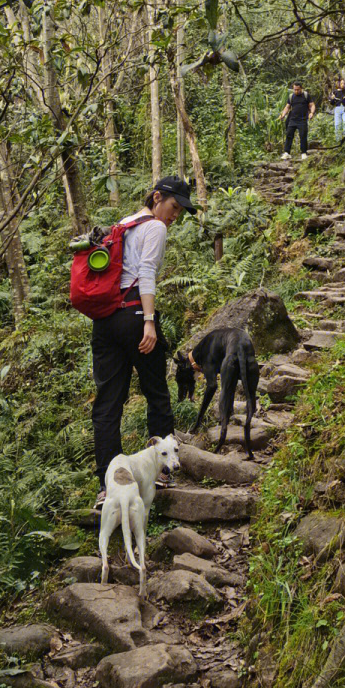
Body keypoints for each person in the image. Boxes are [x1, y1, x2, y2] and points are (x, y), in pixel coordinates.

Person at [91, 176, 196, 510]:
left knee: (107, 403)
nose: (174, 216)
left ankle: (109, 486)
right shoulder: (156, 228)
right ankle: (163, 474)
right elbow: (147, 272)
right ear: (156, 198)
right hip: (136, 315)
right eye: (173, 207)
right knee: (156, 393)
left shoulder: (122, 224)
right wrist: (149, 321)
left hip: (105, 321)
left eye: (180, 211)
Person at [280, 82, 315, 159]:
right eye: (294, 89)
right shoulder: (291, 96)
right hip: (292, 119)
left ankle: (303, 153)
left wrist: (311, 113)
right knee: (289, 135)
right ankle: (287, 152)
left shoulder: (306, 95)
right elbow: (287, 107)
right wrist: (283, 114)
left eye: (298, 90)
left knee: (303, 135)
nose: (296, 91)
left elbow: (312, 105)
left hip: (302, 119)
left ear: (301, 88)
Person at [329, 75, 345, 142]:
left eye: (344, 83)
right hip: (337, 109)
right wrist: (332, 98)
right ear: (339, 84)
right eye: (342, 83)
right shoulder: (335, 92)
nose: (343, 85)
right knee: (337, 124)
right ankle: (338, 140)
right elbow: (331, 103)